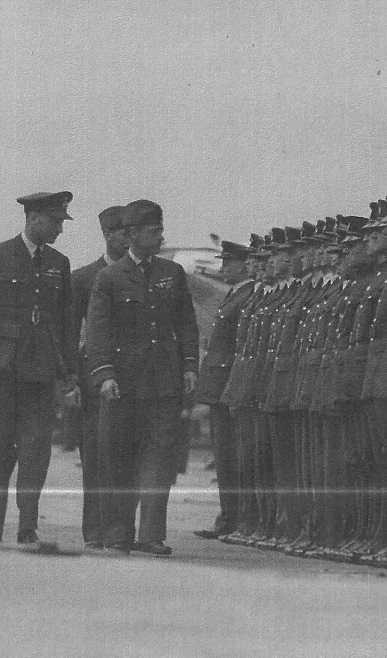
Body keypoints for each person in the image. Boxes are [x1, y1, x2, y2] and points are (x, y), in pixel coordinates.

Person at [0, 191, 80, 544]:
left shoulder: (59, 263)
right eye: (55, 222)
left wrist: (69, 371)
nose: (59, 229)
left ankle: (28, 524)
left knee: (36, 448)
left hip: (40, 370)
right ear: (33, 218)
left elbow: (67, 322)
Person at [86, 199, 199, 556]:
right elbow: (98, 334)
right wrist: (104, 375)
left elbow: (186, 325)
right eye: (153, 231)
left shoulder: (172, 273)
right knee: (119, 458)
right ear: (132, 234)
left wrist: (189, 366)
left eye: (161, 229)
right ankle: (118, 533)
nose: (160, 236)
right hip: (123, 386)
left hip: (163, 382)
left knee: (159, 458)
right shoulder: (109, 277)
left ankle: (151, 534)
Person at [71, 205, 130, 550]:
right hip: (93, 382)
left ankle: (120, 530)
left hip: (131, 381)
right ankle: (94, 530)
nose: (128, 238)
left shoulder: (141, 275)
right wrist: (72, 380)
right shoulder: (83, 278)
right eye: (123, 232)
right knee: (94, 457)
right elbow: (70, 332)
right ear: (108, 235)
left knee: (126, 457)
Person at [193, 240, 254, 539]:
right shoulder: (236, 294)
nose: (223, 268)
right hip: (220, 386)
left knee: (231, 456)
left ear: (243, 265)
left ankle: (233, 518)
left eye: (229, 263)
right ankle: (228, 517)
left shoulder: (247, 295)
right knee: (225, 456)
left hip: (229, 384)